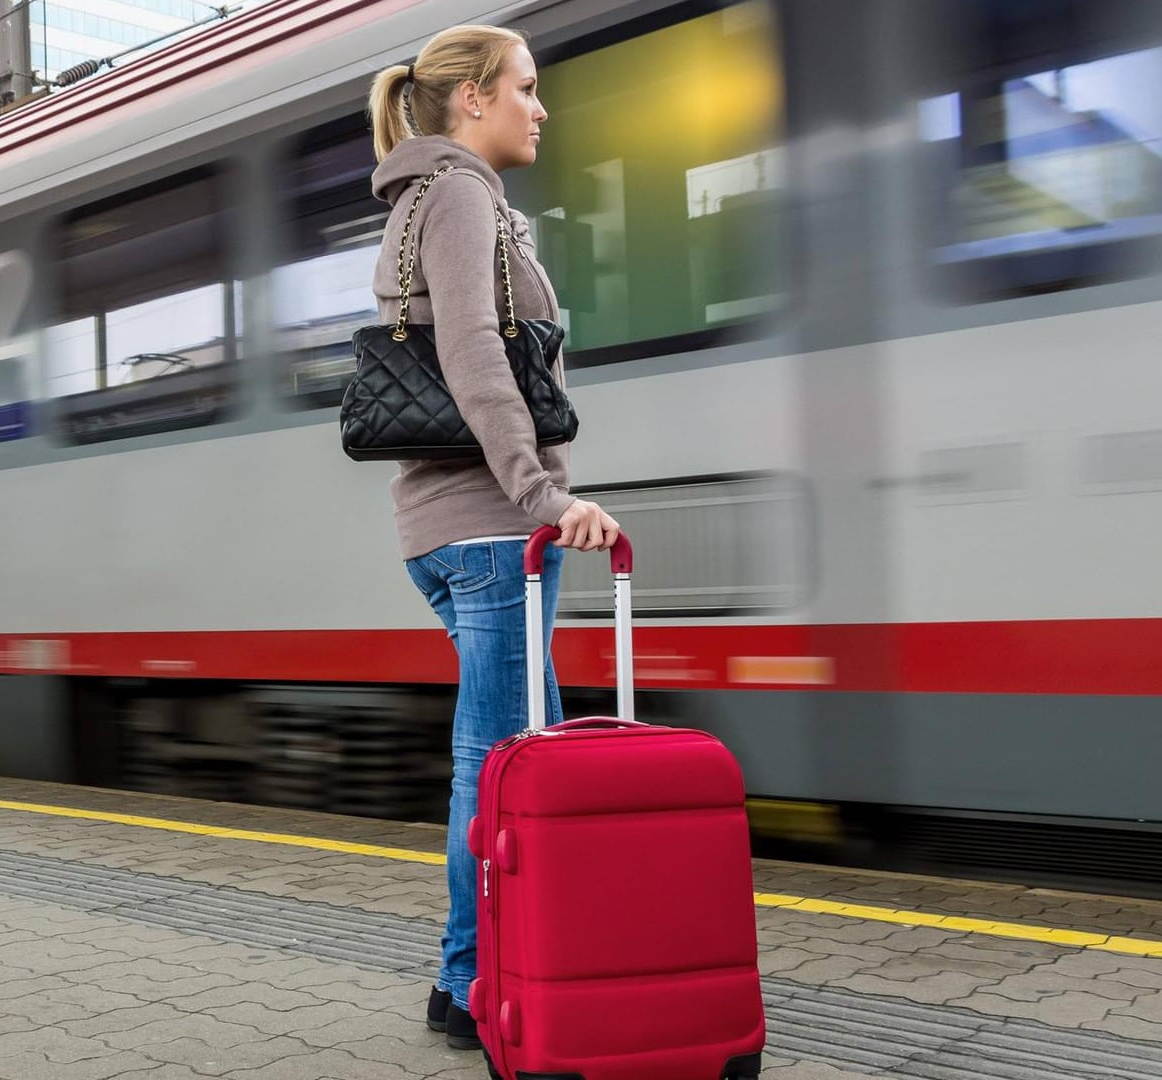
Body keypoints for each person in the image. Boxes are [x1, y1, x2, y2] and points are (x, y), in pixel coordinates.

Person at [365, 25, 622, 1053]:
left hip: (447, 528)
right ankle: (469, 982)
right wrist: (543, 495)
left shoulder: (420, 198)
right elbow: (476, 350)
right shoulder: (462, 194)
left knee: (530, 763)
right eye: (524, 87)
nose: (540, 106)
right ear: (470, 99)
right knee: (499, 763)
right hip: (488, 528)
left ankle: (516, 968)